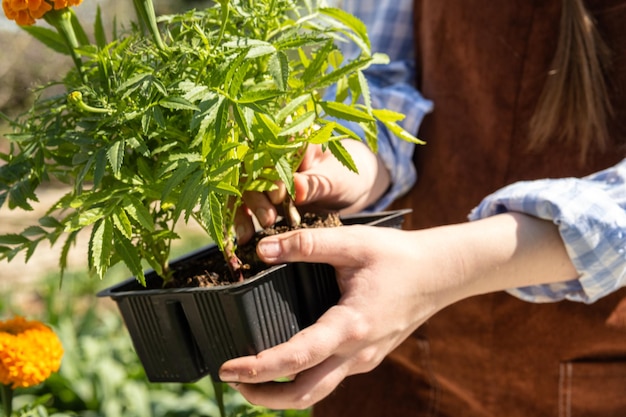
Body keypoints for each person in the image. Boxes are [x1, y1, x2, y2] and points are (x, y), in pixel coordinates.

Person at [220, 0, 626, 416]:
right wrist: (354, 164)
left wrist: (439, 267)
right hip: (396, 367)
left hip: (587, 376)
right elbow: (377, 71)